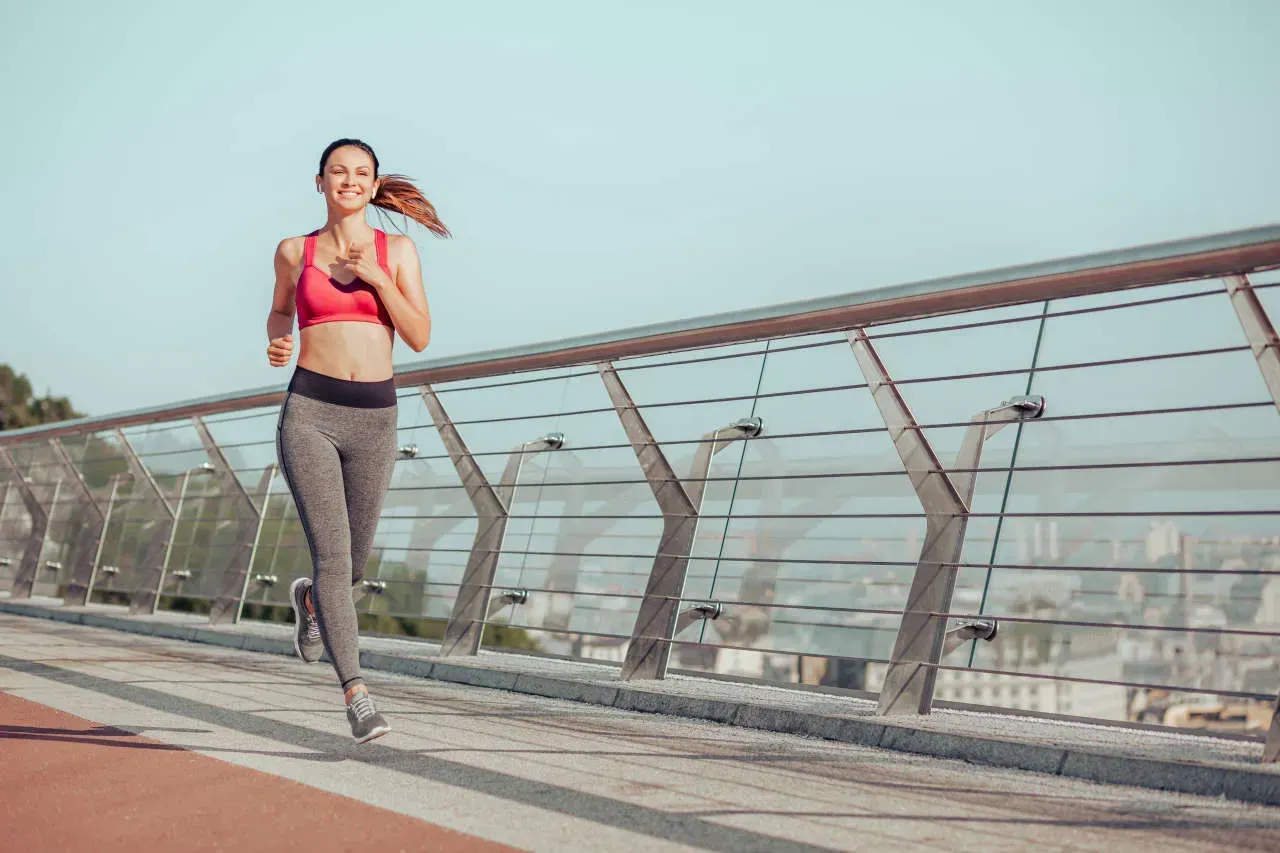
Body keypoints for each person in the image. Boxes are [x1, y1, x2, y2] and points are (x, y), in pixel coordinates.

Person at [266, 138, 448, 743]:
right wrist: (277, 341)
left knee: (352, 565)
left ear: (373, 186)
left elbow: (419, 335)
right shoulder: (297, 251)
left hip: (375, 418)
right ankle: (357, 693)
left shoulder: (397, 250)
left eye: (360, 173)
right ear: (320, 183)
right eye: (337, 171)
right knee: (335, 560)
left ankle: (314, 603)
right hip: (311, 412)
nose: (348, 180)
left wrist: (377, 279)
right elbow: (277, 312)